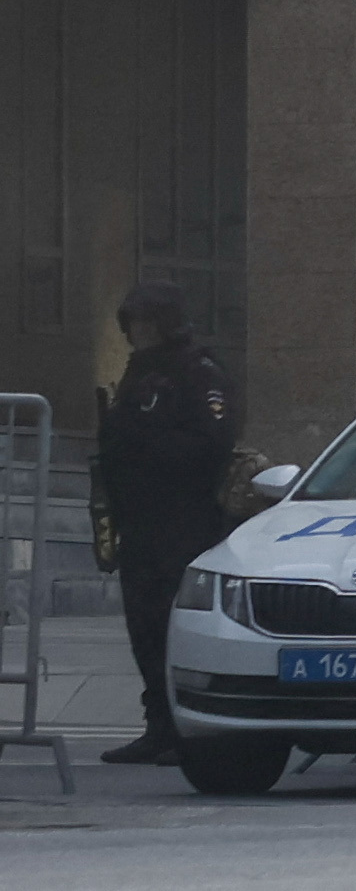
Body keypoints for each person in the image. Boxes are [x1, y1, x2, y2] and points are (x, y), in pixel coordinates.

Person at [87, 284, 236, 769]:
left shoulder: (198, 372)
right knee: (144, 628)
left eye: (147, 322)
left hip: (184, 522)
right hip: (140, 521)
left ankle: (187, 727)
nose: (139, 332)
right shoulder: (139, 372)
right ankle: (159, 726)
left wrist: (143, 448)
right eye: (133, 323)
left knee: (175, 628)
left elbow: (210, 443)